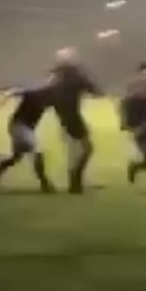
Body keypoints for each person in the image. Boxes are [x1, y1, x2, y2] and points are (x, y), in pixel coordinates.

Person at [0, 71, 56, 193]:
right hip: (19, 126)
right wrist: (4, 97)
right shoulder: (35, 93)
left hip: (22, 127)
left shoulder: (50, 98)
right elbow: (17, 91)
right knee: (37, 150)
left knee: (16, 158)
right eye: (50, 80)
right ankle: (45, 184)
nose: (52, 83)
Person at [51, 47, 103, 194]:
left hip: (63, 117)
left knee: (74, 150)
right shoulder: (76, 75)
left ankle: (76, 181)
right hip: (73, 117)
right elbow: (95, 91)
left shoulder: (56, 77)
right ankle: (76, 182)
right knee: (86, 149)